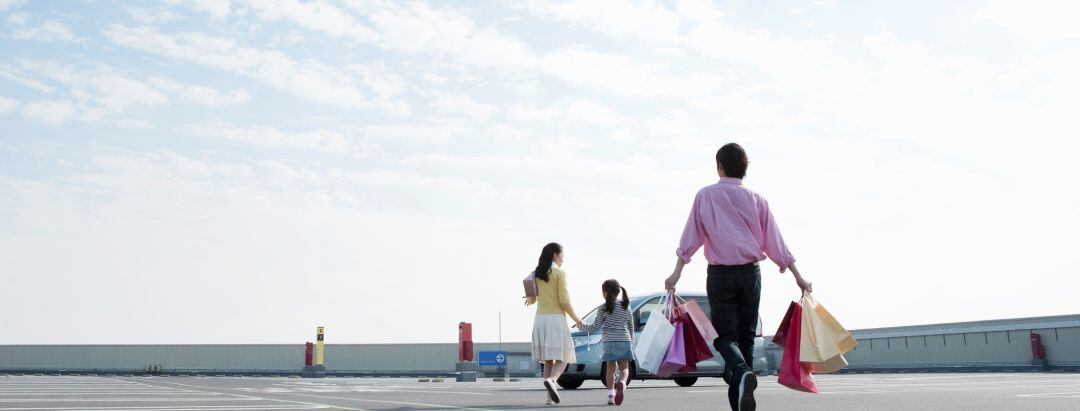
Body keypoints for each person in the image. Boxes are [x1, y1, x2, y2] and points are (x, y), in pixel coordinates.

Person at [664, 143, 812, 411]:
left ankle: (743, 374)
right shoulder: (757, 199)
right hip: (751, 274)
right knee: (746, 337)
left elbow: (691, 238)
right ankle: (743, 386)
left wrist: (676, 272)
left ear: (719, 166)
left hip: (721, 274)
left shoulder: (705, 196)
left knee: (724, 337)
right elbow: (776, 243)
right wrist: (798, 277)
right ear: (744, 169)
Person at [526, 242, 584, 405]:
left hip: (540, 319)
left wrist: (530, 298)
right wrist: (576, 319)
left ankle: (549, 398)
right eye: (562, 255)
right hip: (556, 319)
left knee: (548, 359)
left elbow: (531, 299)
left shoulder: (536, 273)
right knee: (564, 355)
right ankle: (552, 380)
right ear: (555, 255)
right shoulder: (559, 273)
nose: (563, 258)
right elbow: (564, 301)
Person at [581, 279, 634, 406]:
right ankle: (622, 383)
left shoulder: (603, 308)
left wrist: (581, 326)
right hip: (624, 340)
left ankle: (611, 395)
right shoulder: (626, 306)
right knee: (624, 368)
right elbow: (631, 326)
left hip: (609, 341)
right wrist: (630, 341)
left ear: (605, 293)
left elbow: (595, 327)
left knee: (610, 369)